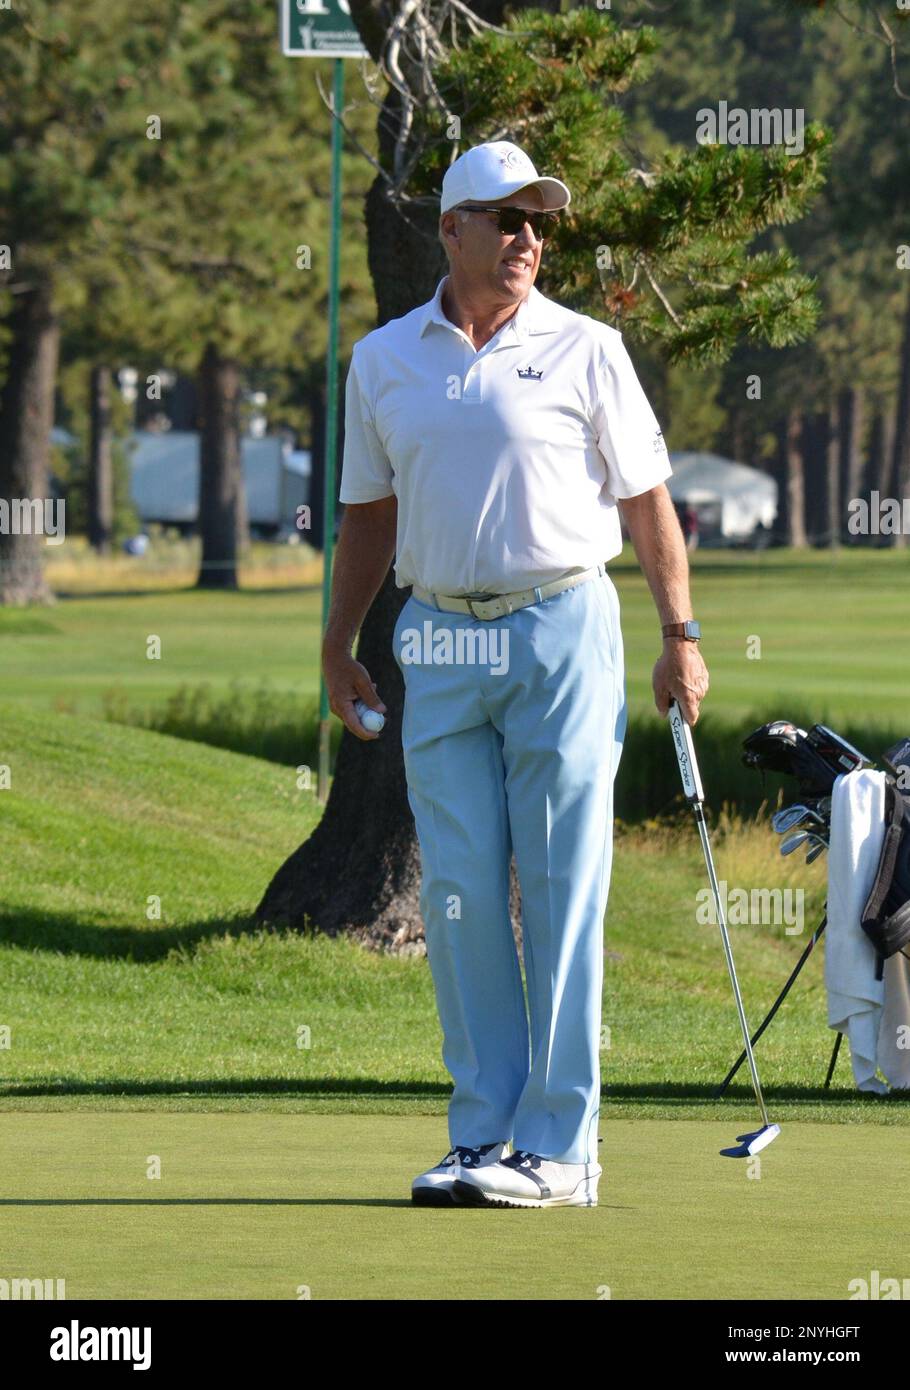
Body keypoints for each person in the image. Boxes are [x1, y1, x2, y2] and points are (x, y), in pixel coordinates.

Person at [323, 140, 709, 1210]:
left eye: (539, 221)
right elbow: (368, 513)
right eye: (506, 219)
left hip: (558, 629)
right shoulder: (384, 360)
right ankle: (483, 1131)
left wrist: (680, 634)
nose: (528, 238)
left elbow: (646, 503)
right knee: (454, 896)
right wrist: (337, 639)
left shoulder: (587, 348)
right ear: (451, 230)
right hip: (436, 642)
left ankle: (561, 1147)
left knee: (556, 889)